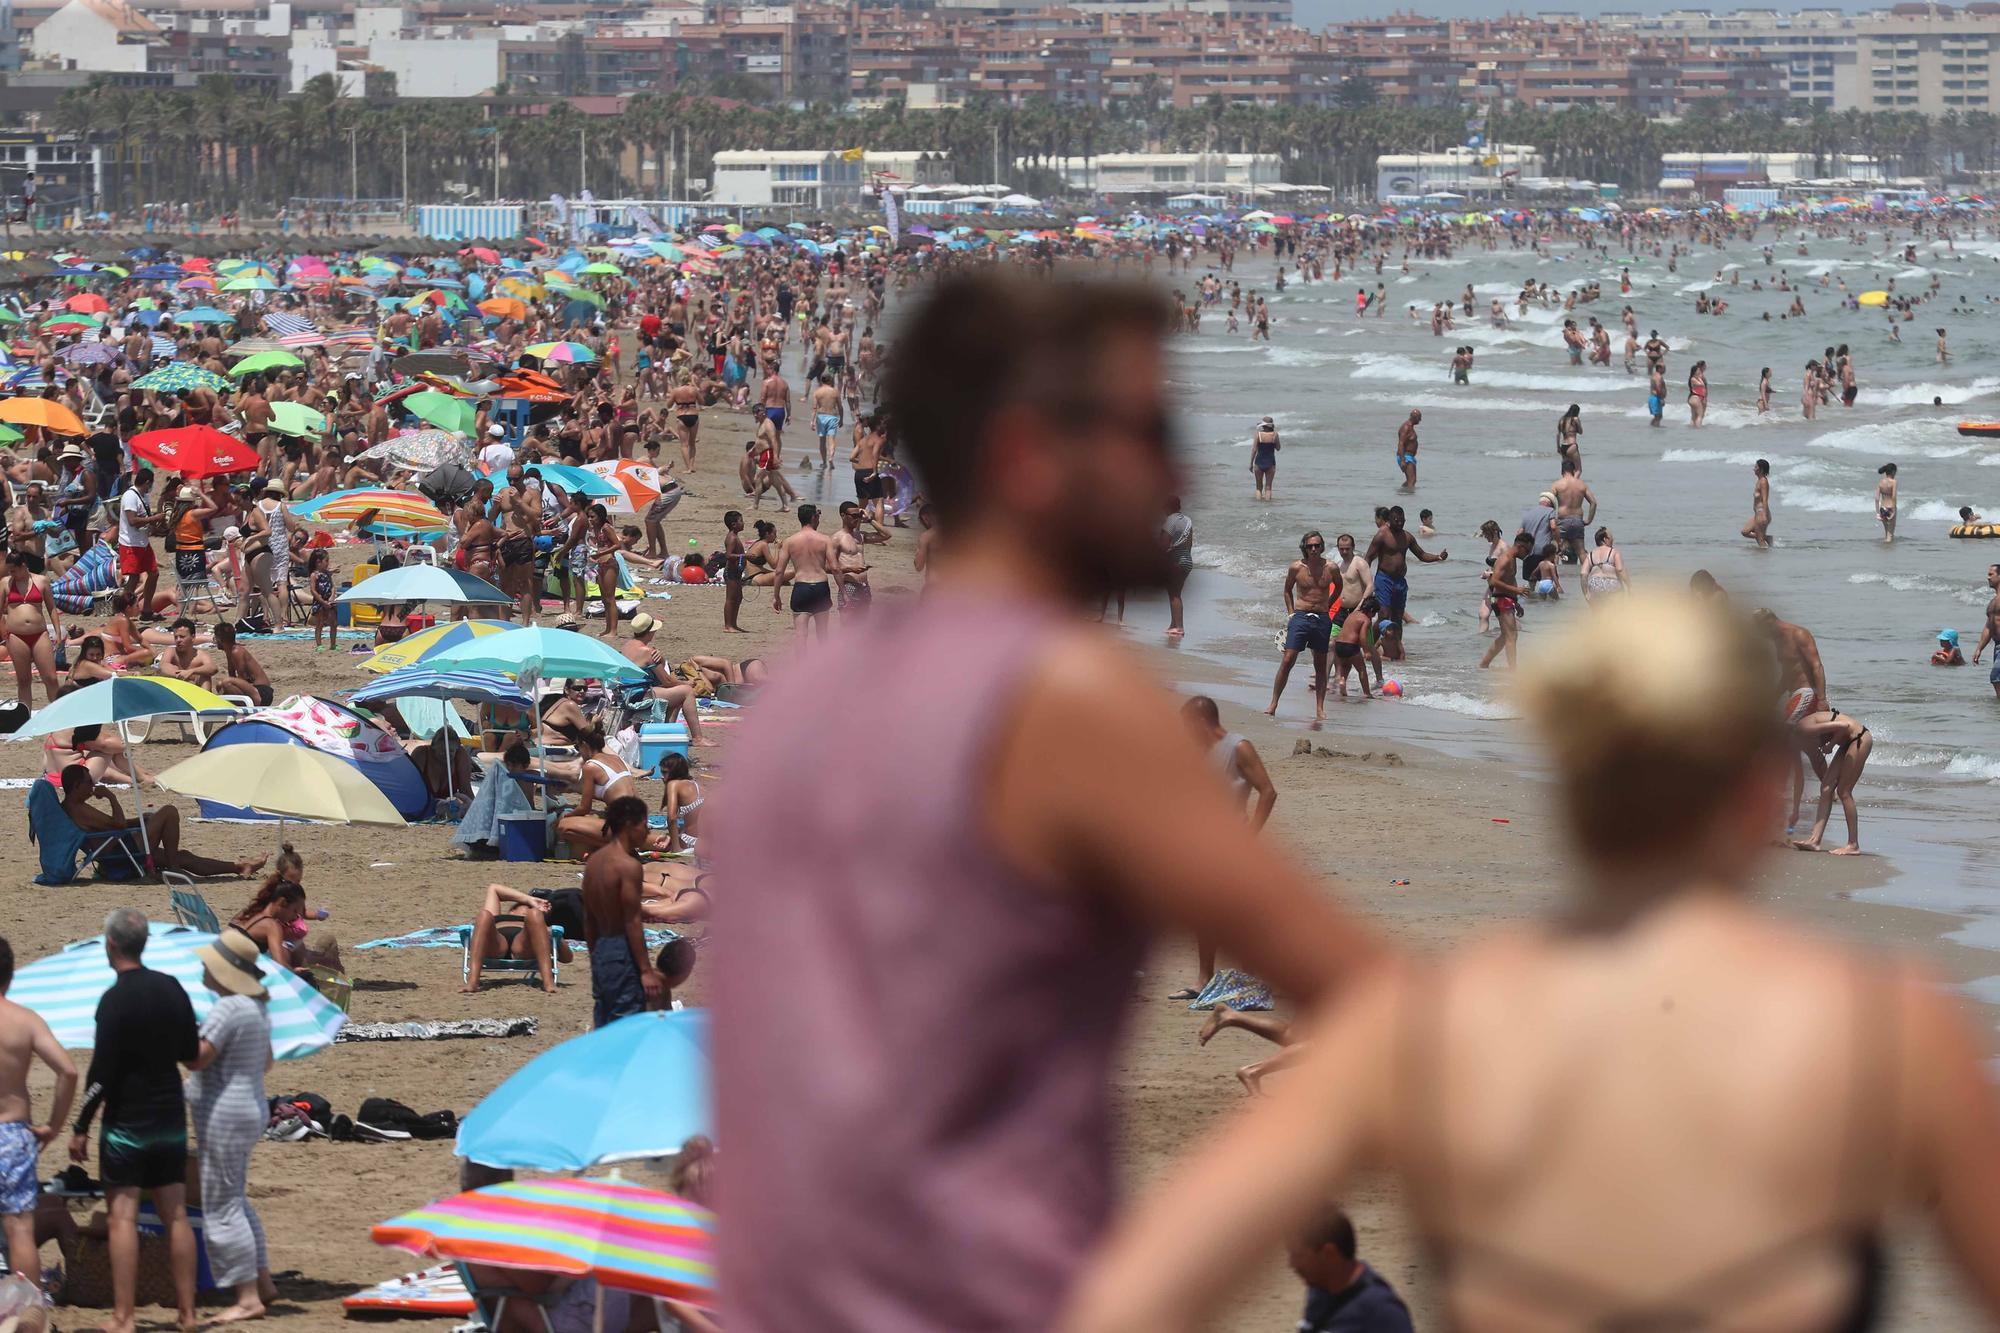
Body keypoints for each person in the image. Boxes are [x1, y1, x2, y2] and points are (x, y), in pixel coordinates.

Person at [709, 273, 1377, 1333]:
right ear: (1025, 455)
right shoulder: (1061, 697)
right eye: (1146, 429)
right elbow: (1387, 1017)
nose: (1175, 471)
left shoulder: (803, 700)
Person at [1059, 592, 2000, 1333]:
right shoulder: (1887, 1033)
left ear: (1571, 792)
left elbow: (1136, 1298)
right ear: (1759, 796)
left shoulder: (1434, 1023)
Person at [69, 908, 200, 1333]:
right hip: (169, 1116)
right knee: (175, 1216)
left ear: (111, 946)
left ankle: (124, 1317)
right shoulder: (172, 988)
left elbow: (100, 1075)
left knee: (121, 1217)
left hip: (126, 1123)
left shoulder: (113, 1000)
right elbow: (190, 1053)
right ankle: (187, 1314)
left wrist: (81, 1127)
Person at [184, 928, 277, 1324]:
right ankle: (263, 1282)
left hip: (226, 1113)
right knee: (235, 1198)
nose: (204, 967)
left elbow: (196, 1059)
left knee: (221, 1206)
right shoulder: (254, 1007)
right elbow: (267, 1061)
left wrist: (174, 1029)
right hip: (249, 1107)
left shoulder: (227, 1008)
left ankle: (247, 1296)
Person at [1174, 696, 1277, 997]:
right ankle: (1203, 980)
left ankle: (1248, 981)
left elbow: (1268, 792)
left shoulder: (1238, 747)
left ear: (1201, 723)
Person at [0, 934, 76, 1284]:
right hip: (13, 1134)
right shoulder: (25, 1020)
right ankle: (25, 1313)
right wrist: (54, 1126)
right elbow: (68, 1070)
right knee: (19, 1229)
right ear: (10, 977)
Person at [58, 765, 263, 878]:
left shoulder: (73, 806)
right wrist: (111, 797)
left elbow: (110, 825)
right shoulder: (79, 808)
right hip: (121, 854)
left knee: (185, 856)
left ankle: (238, 867)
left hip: (120, 847)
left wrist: (138, 821)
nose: (93, 785)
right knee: (169, 812)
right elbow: (117, 824)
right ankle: (173, 868)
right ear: (77, 786)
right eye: (89, 782)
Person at [583, 796, 660, 1028]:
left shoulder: (594, 862)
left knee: (604, 1019)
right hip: (621, 948)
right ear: (629, 824)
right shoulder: (628, 866)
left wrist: (594, 953)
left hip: (600, 948)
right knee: (627, 1023)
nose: (646, 832)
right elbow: (632, 921)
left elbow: (588, 917)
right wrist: (646, 970)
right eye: (644, 825)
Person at [1285, 1206, 1414, 1333]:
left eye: (1298, 1256)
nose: (1292, 1264)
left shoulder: (1382, 1312)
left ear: (1328, 1254)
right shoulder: (1319, 1290)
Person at [1266, 531, 1337, 721]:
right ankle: (1273, 703)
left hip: (1322, 617)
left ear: (1322, 547)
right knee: (1288, 659)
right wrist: (1291, 613)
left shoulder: (1331, 567)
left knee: (1320, 664)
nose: (1313, 549)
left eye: (1317, 545)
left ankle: (1320, 708)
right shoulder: (1296, 567)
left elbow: (1339, 587)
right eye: (1309, 546)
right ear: (1304, 547)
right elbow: (1287, 590)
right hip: (1300, 615)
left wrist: (1328, 605)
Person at [1364, 506, 1445, 662]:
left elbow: (1421, 555)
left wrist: (1438, 557)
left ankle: (1395, 651)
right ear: (1389, 519)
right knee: (1383, 616)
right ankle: (1369, 647)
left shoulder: (1407, 537)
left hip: (1400, 582)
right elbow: (1368, 558)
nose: (1399, 523)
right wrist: (1365, 581)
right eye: (1396, 520)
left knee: (1397, 617)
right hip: (1384, 579)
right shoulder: (1382, 535)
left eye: (1402, 520)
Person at [1790, 707, 1875, 855]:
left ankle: (1853, 845)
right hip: (1847, 743)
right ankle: (1815, 841)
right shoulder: (1796, 741)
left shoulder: (1804, 728)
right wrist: (1795, 810)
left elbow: (1844, 726)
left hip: (1859, 738)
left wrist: (1830, 745)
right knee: (1826, 788)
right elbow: (1799, 777)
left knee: (1844, 791)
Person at [460, 884, 573, 994]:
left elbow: (567, 958)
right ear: (512, 910)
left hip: (522, 946)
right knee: (484, 914)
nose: (530, 908)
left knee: (534, 914)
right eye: (525, 906)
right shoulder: (496, 917)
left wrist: (550, 932)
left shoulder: (535, 921)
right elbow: (494, 889)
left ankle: (548, 983)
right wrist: (530, 900)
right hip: (497, 944)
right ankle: (472, 981)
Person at [3, 547, 58, 709]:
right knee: (24, 680)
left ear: (23, 566)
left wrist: (57, 632)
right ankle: (24, 716)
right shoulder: (5, 583)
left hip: (39, 634)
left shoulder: (41, 581)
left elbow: (51, 608)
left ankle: (56, 712)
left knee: (51, 678)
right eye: (9, 571)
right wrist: (4, 631)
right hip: (16, 635)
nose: (11, 574)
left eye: (13, 570)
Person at [770, 503, 833, 640]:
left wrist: (776, 595)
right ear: (813, 518)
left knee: (800, 635)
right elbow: (836, 568)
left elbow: (779, 571)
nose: (819, 520)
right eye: (817, 516)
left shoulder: (789, 541)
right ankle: (824, 662)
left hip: (801, 587)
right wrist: (843, 591)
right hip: (821, 586)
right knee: (823, 634)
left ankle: (801, 662)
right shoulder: (825, 540)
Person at [1479, 531, 1534, 670]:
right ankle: (1513, 671)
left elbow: (1509, 580)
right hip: (1501, 599)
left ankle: (1484, 664)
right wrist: (1517, 591)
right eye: (1527, 550)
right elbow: (1493, 582)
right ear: (1520, 546)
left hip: (1507, 599)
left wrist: (1516, 602)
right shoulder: (1505, 559)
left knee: (1505, 636)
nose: (1527, 554)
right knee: (1512, 636)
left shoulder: (1512, 558)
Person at [116, 468, 165, 621]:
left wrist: (156, 522)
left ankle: (147, 609)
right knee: (133, 578)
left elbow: (144, 519)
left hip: (142, 542)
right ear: (147, 483)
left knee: (153, 573)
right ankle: (122, 609)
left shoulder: (144, 497)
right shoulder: (130, 496)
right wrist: (154, 518)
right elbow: (132, 520)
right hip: (130, 543)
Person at [209, 621, 272, 707]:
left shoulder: (236, 651)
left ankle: (247, 706)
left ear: (220, 639)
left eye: (215, 638)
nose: (215, 641)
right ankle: (239, 705)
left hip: (262, 692)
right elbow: (232, 675)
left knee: (226, 682)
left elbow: (242, 677)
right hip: (253, 689)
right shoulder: (229, 650)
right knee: (220, 685)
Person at [1331, 595, 1379, 698]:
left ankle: (1342, 681)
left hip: (1338, 644)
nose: (1373, 616)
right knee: (1362, 669)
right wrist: (1366, 651)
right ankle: (1367, 693)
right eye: (1374, 613)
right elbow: (1362, 637)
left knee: (1346, 665)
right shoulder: (1366, 620)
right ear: (1370, 610)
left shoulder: (1352, 614)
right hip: (1351, 646)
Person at [1162, 497, 1193, 638]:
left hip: (1176, 560)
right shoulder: (1187, 520)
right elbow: (1189, 544)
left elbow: (1164, 543)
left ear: (1167, 507)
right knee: (1174, 593)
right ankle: (1173, 624)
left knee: (1175, 594)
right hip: (1187, 560)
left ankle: (1179, 627)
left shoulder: (1170, 520)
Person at [1580, 527, 1628, 602]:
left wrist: (1586, 593)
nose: (1613, 540)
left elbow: (1583, 574)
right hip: (1611, 583)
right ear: (1605, 539)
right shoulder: (1614, 552)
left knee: (1597, 610)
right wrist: (1629, 587)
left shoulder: (1590, 555)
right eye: (1611, 538)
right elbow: (1620, 570)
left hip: (1595, 584)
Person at [1974, 565, 2000, 699]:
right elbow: (1989, 627)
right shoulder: (1993, 602)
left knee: (1996, 677)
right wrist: (1979, 648)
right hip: (1997, 646)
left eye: (1991, 574)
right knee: (1996, 680)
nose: (1988, 577)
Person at [1742, 458, 1772, 549]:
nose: (1753, 469)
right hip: (1757, 514)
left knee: (1760, 541)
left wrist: (1764, 515)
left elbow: (1765, 500)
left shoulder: (1763, 482)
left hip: (1762, 513)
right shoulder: (1759, 481)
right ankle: (1767, 538)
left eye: (1755, 467)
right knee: (1745, 532)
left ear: (1761, 469)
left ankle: (1763, 560)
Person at [1251, 417, 1279, 501]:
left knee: (1258, 487)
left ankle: (1258, 507)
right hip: (1270, 463)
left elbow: (1254, 450)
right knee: (1268, 487)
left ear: (1263, 425)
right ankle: (1268, 506)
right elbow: (1278, 448)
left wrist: (1250, 463)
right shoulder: (1275, 435)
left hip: (1259, 462)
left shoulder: (1258, 435)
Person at [1393, 410, 1421, 490]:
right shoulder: (1406, 427)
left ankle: (1402, 492)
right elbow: (1401, 443)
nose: (1420, 420)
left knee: (1412, 480)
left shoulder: (1410, 427)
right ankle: (1408, 499)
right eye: (1419, 418)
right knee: (1412, 481)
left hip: (1409, 457)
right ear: (1414, 417)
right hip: (1405, 457)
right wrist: (1402, 460)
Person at [1875, 463, 1898, 543]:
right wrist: (1894, 511)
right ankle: (1887, 551)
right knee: (1890, 534)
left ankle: (1886, 549)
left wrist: (1877, 513)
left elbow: (1877, 498)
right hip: (1890, 508)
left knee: (1887, 532)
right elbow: (1894, 497)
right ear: (1893, 472)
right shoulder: (1894, 482)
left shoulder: (1881, 482)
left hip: (1882, 508)